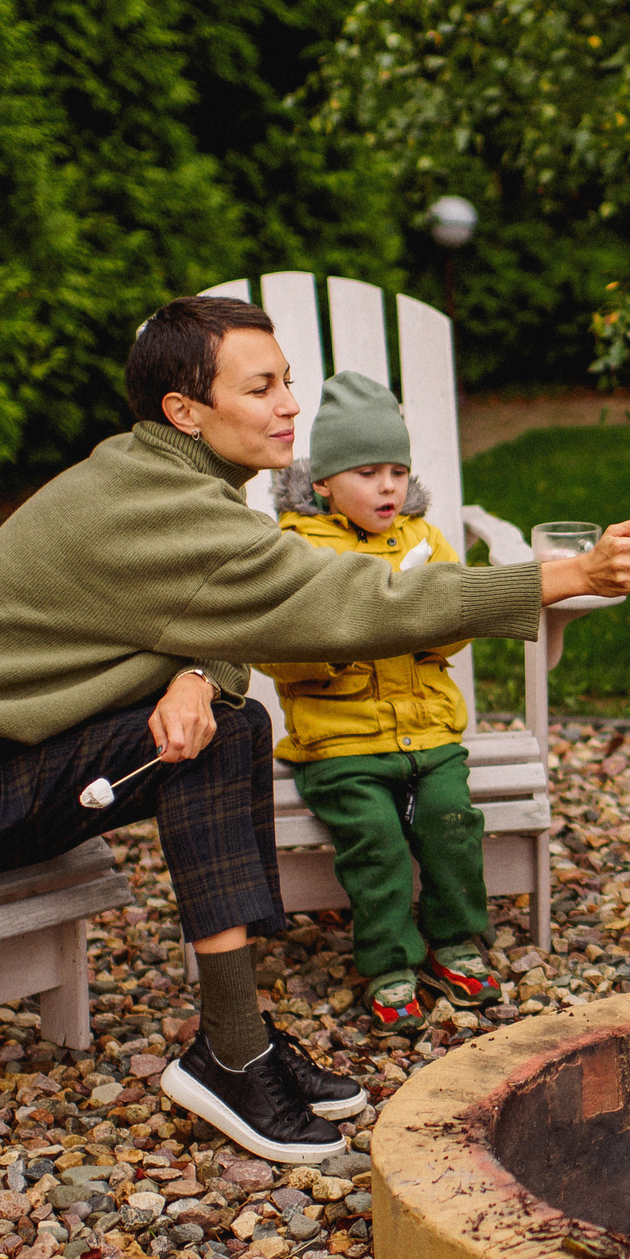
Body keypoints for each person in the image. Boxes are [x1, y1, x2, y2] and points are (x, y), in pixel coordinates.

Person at [0, 296, 630, 1165]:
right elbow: (343, 603)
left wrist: (194, 669)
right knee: (227, 734)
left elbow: (209, 617)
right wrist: (557, 578)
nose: (292, 404)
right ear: (186, 411)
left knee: (226, 719)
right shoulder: (164, 511)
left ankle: (237, 1034)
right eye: (261, 387)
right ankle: (233, 1048)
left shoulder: (155, 478)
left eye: (287, 381)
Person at [256, 370, 495, 1035]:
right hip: (341, 745)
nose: (388, 485)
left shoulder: (424, 540)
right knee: (379, 842)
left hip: (429, 732)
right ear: (324, 481)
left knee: (452, 823)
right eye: (367, 471)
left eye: (397, 469)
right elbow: (271, 646)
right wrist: (338, 641)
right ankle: (389, 963)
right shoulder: (294, 550)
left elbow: (462, 612)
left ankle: (455, 940)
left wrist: (434, 622)